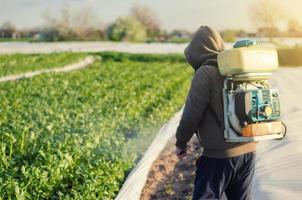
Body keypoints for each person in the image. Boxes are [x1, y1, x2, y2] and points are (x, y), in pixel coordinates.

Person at [175, 26, 256, 200]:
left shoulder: (206, 73)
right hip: (248, 151)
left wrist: (181, 141)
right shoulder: (237, 69)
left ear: (196, 53)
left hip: (219, 157)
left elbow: (192, 113)